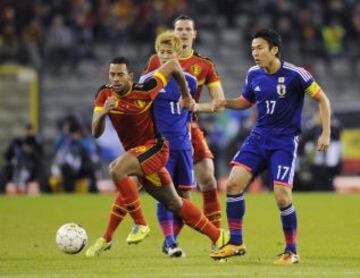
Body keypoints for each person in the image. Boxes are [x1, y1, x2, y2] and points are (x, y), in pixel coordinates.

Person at [85, 56, 228, 257]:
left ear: (130, 76)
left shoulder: (146, 89)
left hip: (156, 148)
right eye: (112, 74)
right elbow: (95, 132)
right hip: (138, 155)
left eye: (120, 75)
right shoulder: (104, 94)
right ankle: (219, 237)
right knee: (174, 203)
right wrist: (102, 114)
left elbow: (172, 65)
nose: (115, 79)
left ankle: (140, 224)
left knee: (116, 169)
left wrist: (186, 94)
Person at [210, 29, 331, 264]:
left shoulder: (297, 74)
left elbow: (322, 100)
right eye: (253, 48)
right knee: (233, 183)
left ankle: (291, 251)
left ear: (274, 49)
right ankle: (236, 242)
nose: (255, 53)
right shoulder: (253, 73)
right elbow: (246, 102)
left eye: (260, 48)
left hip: (284, 141)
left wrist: (325, 133)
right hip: (258, 138)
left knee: (282, 196)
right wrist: (225, 103)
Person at [142, 14, 224, 240]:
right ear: (174, 33)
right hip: (162, 131)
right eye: (180, 29)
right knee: (166, 189)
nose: (184, 32)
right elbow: (143, 97)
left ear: (194, 34)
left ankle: (215, 239)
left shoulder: (205, 65)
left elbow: (219, 103)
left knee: (207, 178)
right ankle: (156, 233)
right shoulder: (155, 61)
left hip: (189, 126)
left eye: (188, 29)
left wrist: (196, 105)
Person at [140, 31, 197, 257]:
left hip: (183, 146)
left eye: (169, 52)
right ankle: (170, 240)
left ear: (179, 53)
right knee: (165, 195)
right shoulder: (148, 81)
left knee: (184, 199)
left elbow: (189, 113)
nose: (164, 56)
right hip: (160, 148)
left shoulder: (190, 81)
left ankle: (172, 238)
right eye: (161, 52)